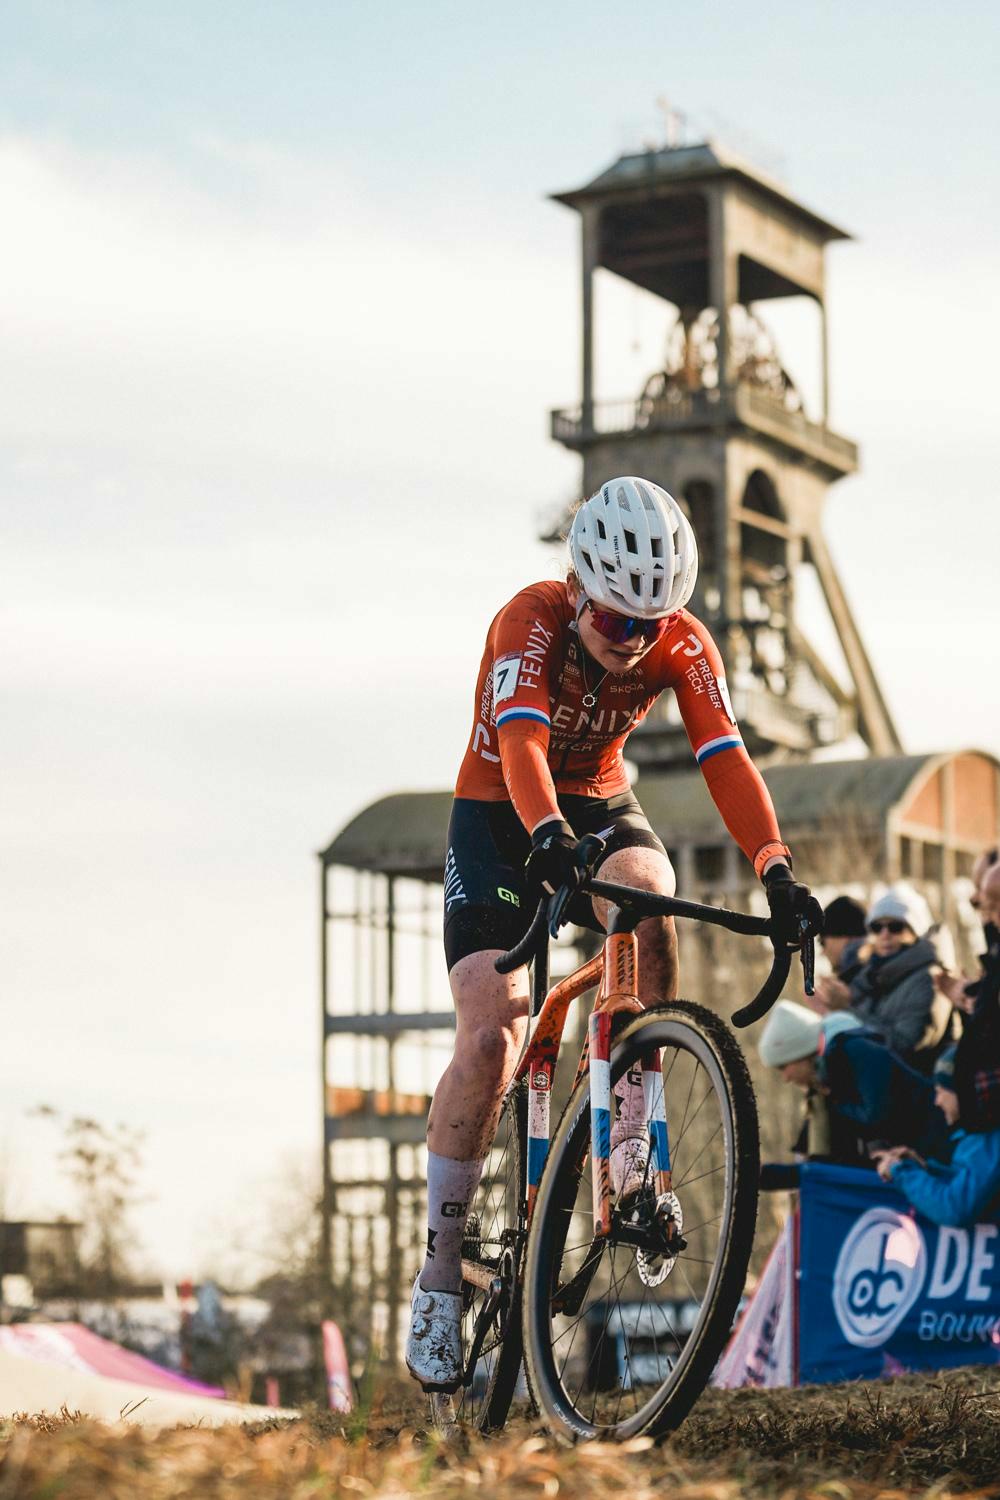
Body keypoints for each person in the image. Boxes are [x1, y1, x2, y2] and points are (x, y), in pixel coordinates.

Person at [406, 476, 823, 1390]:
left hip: (595, 796)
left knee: (650, 897)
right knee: (490, 1035)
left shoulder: (680, 640)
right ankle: (439, 1274)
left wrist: (777, 869)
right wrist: (545, 838)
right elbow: (517, 743)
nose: (631, 643)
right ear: (578, 583)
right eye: (614, 621)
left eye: (649, 625)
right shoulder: (530, 620)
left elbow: (726, 758)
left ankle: (632, 1150)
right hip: (498, 812)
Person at [759, 999, 951, 1164]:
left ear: (799, 1053)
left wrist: (835, 1100)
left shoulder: (856, 1051)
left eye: (783, 1067)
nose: (785, 1078)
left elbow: (877, 1116)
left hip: (938, 1139)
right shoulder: (828, 1072)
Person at [873, 1048, 1000, 1227]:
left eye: (940, 1091)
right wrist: (924, 1169)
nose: (937, 1101)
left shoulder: (990, 1139)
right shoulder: (982, 1134)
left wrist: (900, 1172)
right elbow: (976, 1185)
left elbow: (955, 1209)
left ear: (963, 1092)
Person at [845, 887, 949, 1072]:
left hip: (917, 1093)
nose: (885, 934)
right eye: (877, 927)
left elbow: (906, 1044)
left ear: (915, 931)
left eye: (895, 927)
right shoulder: (870, 975)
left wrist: (844, 1010)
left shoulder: (929, 978)